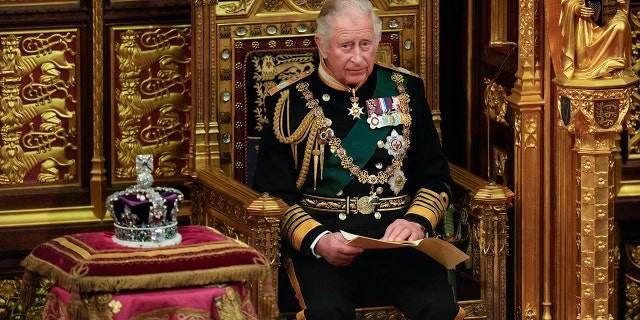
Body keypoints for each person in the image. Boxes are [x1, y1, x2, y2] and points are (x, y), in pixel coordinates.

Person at [253, 0, 464, 319]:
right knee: (326, 312)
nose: (358, 57)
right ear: (321, 46)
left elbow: (434, 175)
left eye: (366, 44)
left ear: (377, 42)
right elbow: (273, 194)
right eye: (346, 45)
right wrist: (317, 239)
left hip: (399, 242)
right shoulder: (288, 103)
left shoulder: (406, 90)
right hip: (327, 243)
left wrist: (417, 223)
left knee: (438, 309)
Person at [559, 0, 633, 80]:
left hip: (611, 11)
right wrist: (578, 8)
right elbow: (568, 2)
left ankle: (615, 66)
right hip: (586, 17)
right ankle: (592, 67)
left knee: (620, 26)